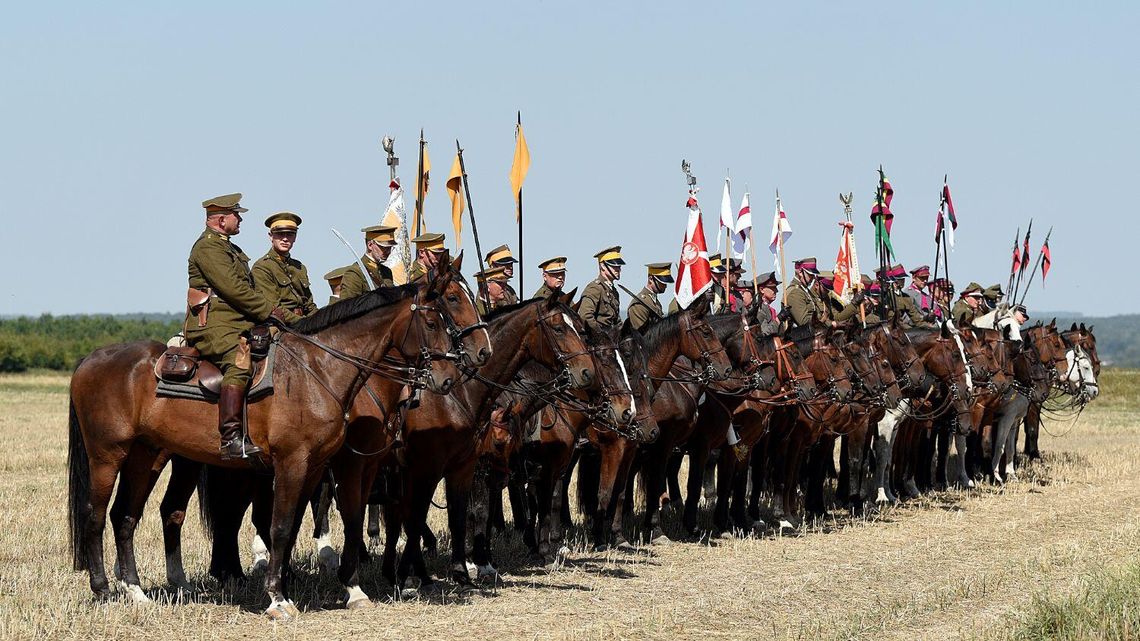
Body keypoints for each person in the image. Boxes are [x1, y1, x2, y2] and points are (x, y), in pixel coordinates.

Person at [186, 193, 296, 460]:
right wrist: (270, 311)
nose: (241, 219)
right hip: (214, 324)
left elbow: (248, 290)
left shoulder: (230, 249)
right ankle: (231, 437)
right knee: (240, 361)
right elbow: (234, 291)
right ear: (222, 220)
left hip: (237, 320)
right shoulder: (208, 248)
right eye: (237, 215)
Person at [252, 212, 318, 318]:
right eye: (280, 234)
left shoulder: (299, 267)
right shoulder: (262, 267)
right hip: (280, 322)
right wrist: (302, 322)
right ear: (271, 236)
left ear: (295, 237)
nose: (285, 239)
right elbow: (273, 306)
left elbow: (309, 305)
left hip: (304, 321)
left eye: (290, 234)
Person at [339, 225, 396, 299]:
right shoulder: (355, 273)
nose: (388, 252)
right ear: (370, 245)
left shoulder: (386, 271)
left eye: (390, 248)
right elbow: (347, 307)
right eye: (383, 247)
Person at [579, 246, 624, 333]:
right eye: (614, 266)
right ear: (603, 266)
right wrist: (601, 335)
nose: (618, 269)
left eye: (619, 266)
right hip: (597, 341)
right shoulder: (594, 288)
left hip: (611, 340)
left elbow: (617, 321)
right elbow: (585, 316)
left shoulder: (614, 292)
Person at [628, 262, 672, 332]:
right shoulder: (639, 304)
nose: (665, 286)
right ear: (651, 279)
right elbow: (642, 335)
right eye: (662, 282)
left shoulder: (655, 302)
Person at [783, 257, 827, 327]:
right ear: (800, 272)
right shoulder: (795, 292)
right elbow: (804, 322)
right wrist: (821, 320)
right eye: (810, 275)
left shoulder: (804, 290)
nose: (813, 278)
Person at [754, 271, 781, 336]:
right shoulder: (759, 309)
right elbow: (764, 333)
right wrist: (778, 320)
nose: (777, 291)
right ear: (762, 289)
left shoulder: (768, 308)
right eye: (772, 288)